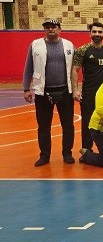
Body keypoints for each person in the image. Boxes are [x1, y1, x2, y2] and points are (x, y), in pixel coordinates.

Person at [22, 18, 76, 167]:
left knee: (68, 125)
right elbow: (28, 68)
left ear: (59, 29)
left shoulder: (69, 45)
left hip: (65, 91)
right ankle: (45, 156)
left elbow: (74, 69)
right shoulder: (35, 45)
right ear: (44, 29)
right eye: (47, 27)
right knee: (44, 126)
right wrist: (26, 88)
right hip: (43, 92)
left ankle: (67, 153)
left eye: (53, 26)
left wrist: (76, 88)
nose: (50, 29)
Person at [71, 21, 103, 153]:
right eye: (94, 32)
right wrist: (76, 90)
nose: (97, 34)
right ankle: (86, 149)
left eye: (100, 32)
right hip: (88, 92)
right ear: (90, 34)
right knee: (87, 121)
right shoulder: (83, 50)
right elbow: (75, 70)